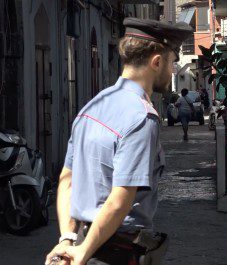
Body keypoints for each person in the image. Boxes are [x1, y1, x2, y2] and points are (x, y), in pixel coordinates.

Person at [45, 17, 192, 265]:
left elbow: (67, 180)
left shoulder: (91, 107)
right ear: (156, 61)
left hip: (82, 242)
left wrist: (68, 240)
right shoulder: (142, 118)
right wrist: (84, 252)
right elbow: (119, 200)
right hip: (114, 250)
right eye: (172, 63)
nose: (172, 71)